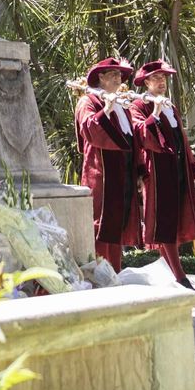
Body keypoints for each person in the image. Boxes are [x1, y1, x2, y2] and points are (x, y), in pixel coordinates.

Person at [128, 59, 195, 288]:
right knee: (164, 222)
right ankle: (180, 276)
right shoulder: (139, 106)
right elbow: (141, 136)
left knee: (176, 219)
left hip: (177, 169)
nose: (161, 82)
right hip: (158, 172)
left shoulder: (172, 106)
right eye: (156, 78)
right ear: (146, 82)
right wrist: (155, 112)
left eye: (163, 78)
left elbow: (181, 140)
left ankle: (169, 270)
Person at [73, 57, 140, 271]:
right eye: (112, 74)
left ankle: (116, 272)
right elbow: (90, 130)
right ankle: (101, 274)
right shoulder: (88, 101)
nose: (118, 78)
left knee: (118, 224)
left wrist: (138, 172)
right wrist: (106, 109)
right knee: (102, 225)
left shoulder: (122, 106)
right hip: (101, 174)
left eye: (119, 75)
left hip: (124, 174)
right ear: (100, 78)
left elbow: (131, 140)